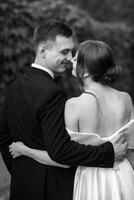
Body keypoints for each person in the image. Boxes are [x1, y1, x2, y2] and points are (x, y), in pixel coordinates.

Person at [0, 21, 127, 200]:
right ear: (43, 51)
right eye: (64, 52)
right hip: (52, 188)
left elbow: (4, 138)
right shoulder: (53, 92)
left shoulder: (13, 88)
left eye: (71, 51)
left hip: (21, 187)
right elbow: (61, 151)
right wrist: (109, 152)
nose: (70, 57)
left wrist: (22, 171)